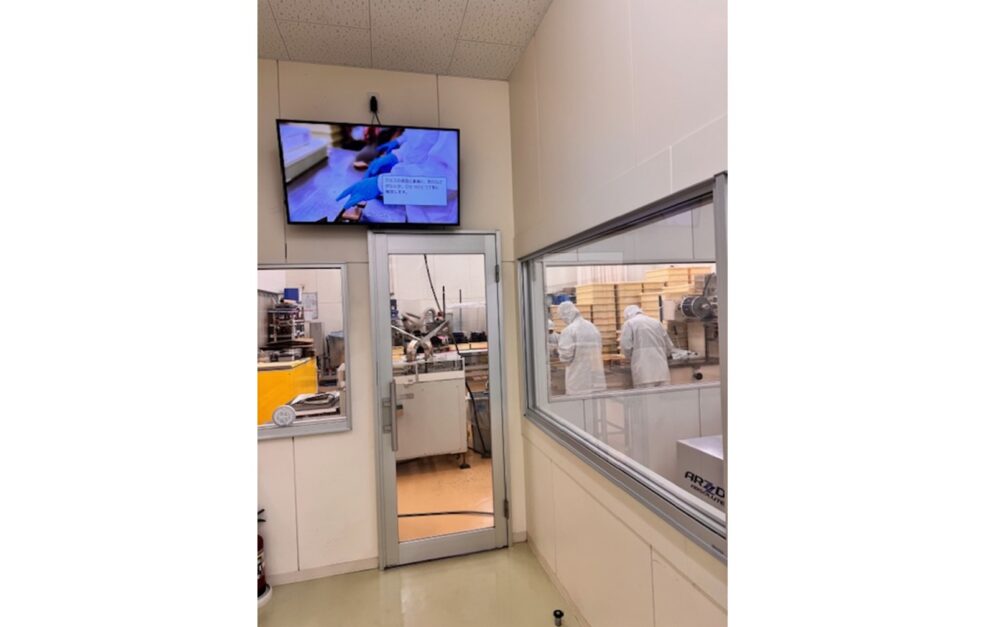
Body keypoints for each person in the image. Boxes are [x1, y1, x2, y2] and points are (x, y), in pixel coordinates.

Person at [556, 301, 607, 395]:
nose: (563, 320)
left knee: (578, 404)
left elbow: (565, 357)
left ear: (565, 315)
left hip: (578, 382)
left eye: (562, 317)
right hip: (597, 380)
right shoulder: (593, 327)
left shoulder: (569, 330)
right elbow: (599, 348)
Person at [619, 305, 674, 388]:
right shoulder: (656, 322)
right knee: (663, 395)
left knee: (646, 395)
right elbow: (669, 346)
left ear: (627, 315)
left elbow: (626, 347)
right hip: (661, 370)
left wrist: (631, 358)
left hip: (643, 372)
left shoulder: (629, 324)